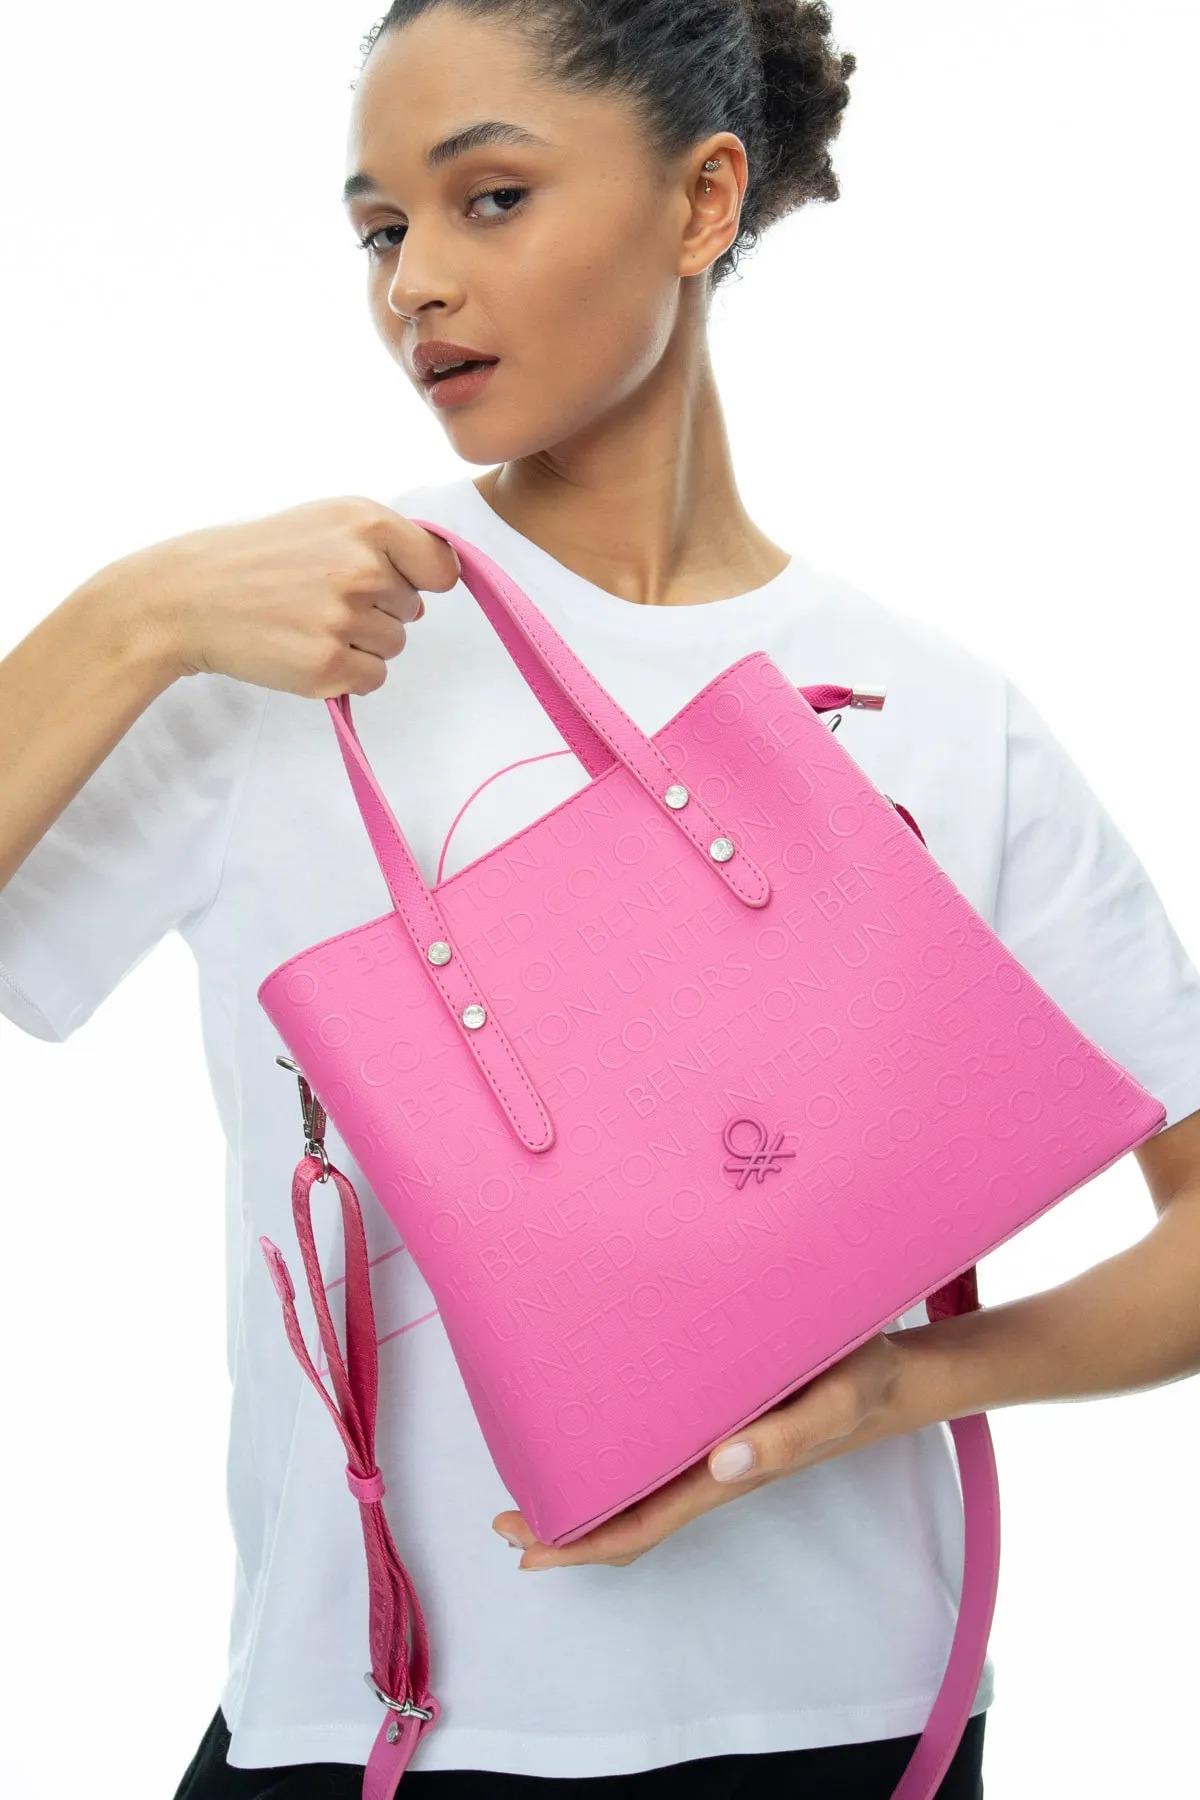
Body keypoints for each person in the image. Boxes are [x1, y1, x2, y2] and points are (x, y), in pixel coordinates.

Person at [2, 3, 1199, 1797]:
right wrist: (133, 617)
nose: (415, 281)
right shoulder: (288, 640)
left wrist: (896, 1392)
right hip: (371, 1725)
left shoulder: (940, 714)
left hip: (848, 1724)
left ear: (703, 199)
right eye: (381, 230)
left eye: (489, 197)